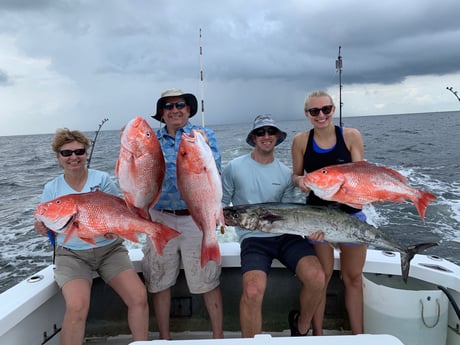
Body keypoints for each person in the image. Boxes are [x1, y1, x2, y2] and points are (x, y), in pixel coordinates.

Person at [33, 128, 149, 345]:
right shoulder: (52, 188)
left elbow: (118, 210)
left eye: (79, 151)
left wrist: (114, 228)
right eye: (66, 153)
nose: (73, 157)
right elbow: (45, 219)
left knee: (138, 297)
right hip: (71, 255)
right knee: (76, 307)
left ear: (86, 153)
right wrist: (41, 226)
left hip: (110, 250)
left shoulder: (102, 179)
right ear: (58, 157)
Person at [221, 114, 326, 338]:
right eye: (261, 132)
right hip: (253, 238)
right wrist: (220, 219)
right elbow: (221, 203)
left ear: (277, 137)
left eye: (271, 132)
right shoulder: (233, 168)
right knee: (252, 290)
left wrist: (311, 233)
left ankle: (300, 326)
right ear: (253, 137)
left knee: (317, 278)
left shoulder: (287, 174)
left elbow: (294, 214)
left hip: (287, 236)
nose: (266, 136)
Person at [141, 88, 224, 340]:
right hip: (159, 217)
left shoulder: (203, 136)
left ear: (188, 110)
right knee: (159, 279)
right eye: (168, 106)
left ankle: (219, 337)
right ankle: (165, 337)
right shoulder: (150, 141)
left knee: (207, 278)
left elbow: (215, 169)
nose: (175, 109)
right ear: (161, 114)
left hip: (195, 217)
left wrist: (205, 147)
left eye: (180, 105)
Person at [291, 90, 366, 335]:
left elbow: (360, 174)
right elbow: (296, 175)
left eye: (326, 109)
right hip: (317, 217)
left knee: (353, 278)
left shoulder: (352, 136)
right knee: (321, 279)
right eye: (314, 111)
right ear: (307, 115)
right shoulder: (301, 141)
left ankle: (359, 336)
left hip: (351, 216)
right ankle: (318, 336)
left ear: (334, 109)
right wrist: (300, 181)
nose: (321, 115)